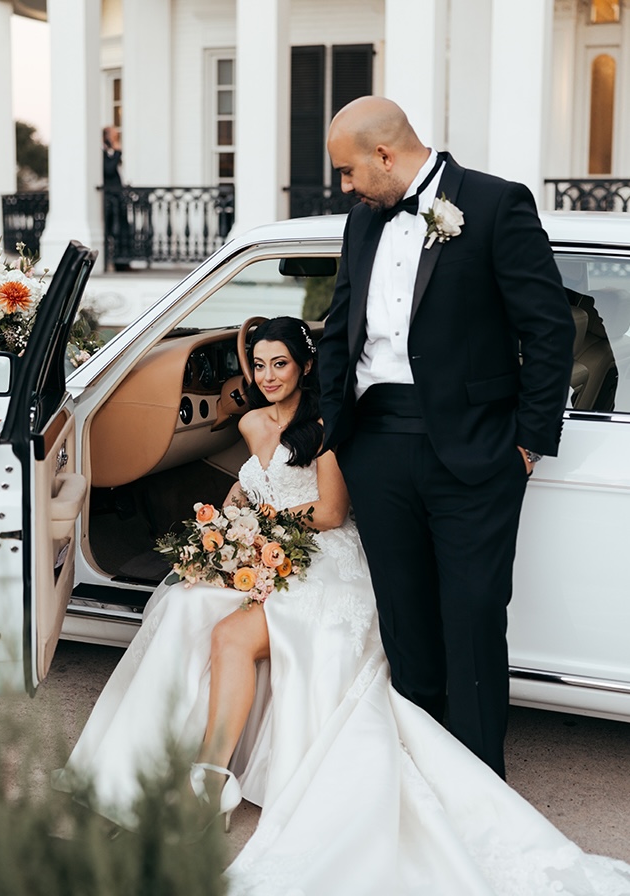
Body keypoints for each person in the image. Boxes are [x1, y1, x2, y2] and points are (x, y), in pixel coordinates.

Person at [56, 318, 630, 894]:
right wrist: (223, 531)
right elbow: (248, 488)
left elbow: (330, 513)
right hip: (271, 549)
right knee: (181, 604)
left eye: (280, 364)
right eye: (258, 366)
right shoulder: (252, 421)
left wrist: (259, 529)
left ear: (305, 366)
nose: (268, 376)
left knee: (231, 637)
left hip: (327, 560)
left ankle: (205, 787)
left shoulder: (326, 423)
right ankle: (144, 764)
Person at [318, 96, 576, 779]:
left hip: (474, 449)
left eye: (348, 172)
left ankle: (477, 785)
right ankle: (417, 777)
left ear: (383, 154)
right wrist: (335, 436)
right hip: (375, 444)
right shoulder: (361, 222)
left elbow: (547, 329)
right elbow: (339, 328)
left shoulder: (494, 205)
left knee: (470, 620)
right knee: (404, 621)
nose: (343, 187)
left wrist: (526, 443)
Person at [102, 125, 131, 271]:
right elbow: (108, 170)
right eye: (113, 135)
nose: (117, 137)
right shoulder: (102, 153)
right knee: (114, 230)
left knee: (124, 228)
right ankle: (117, 262)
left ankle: (124, 262)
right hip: (110, 199)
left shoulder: (110, 153)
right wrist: (118, 152)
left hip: (118, 196)